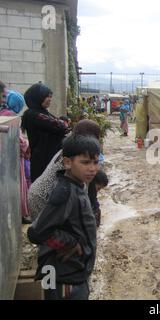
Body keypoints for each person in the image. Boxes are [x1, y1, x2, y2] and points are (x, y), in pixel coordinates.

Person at [27, 134, 100, 300]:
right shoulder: (64, 193)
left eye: (95, 162)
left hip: (73, 270)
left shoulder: (77, 185)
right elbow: (36, 233)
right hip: (64, 275)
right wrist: (70, 242)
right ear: (67, 162)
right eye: (85, 162)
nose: (92, 168)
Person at [28, 119, 102, 221]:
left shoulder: (70, 149)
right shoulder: (76, 157)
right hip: (44, 198)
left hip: (37, 193)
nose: (93, 168)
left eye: (95, 163)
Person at [21, 83, 69, 182]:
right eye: (47, 96)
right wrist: (63, 124)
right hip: (42, 160)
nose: (50, 99)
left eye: (50, 96)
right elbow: (61, 126)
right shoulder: (34, 115)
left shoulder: (42, 113)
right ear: (37, 97)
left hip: (48, 158)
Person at [0, 90, 31, 223]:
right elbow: (20, 141)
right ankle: (21, 214)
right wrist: (27, 145)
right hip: (14, 159)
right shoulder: (10, 116)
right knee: (20, 185)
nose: (3, 99)